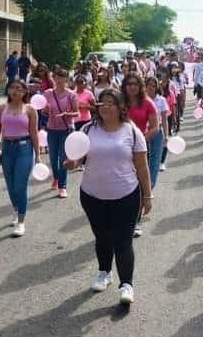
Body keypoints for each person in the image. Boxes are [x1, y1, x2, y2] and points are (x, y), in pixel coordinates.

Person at [65, 89, 152, 304]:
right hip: (92, 195)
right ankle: (104, 272)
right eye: (102, 103)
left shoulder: (132, 131)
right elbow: (78, 158)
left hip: (125, 195)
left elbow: (142, 165)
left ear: (121, 107)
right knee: (102, 237)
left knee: (123, 241)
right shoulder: (87, 129)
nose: (105, 107)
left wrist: (148, 196)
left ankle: (126, 285)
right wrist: (71, 163)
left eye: (111, 103)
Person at [0, 79, 40, 237]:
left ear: (24, 92)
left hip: (24, 148)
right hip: (7, 148)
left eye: (19, 88)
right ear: (8, 91)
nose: (15, 91)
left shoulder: (30, 109)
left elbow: (34, 132)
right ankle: (16, 211)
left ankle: (21, 222)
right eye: (12, 88)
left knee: (19, 186)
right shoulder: (2, 108)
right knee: (10, 185)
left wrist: (37, 155)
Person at [122, 73, 159, 238]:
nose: (132, 87)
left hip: (140, 147)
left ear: (140, 86)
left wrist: (139, 141)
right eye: (129, 84)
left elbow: (154, 127)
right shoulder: (119, 101)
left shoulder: (148, 103)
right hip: (119, 148)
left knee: (137, 185)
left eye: (135, 84)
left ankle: (135, 222)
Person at [43, 69, 78, 199]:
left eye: (61, 77)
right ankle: (56, 178)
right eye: (55, 77)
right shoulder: (48, 93)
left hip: (66, 129)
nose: (58, 79)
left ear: (66, 79)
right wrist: (45, 111)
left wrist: (67, 114)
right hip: (51, 129)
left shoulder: (71, 95)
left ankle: (62, 186)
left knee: (63, 158)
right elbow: (43, 112)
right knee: (52, 158)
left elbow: (77, 112)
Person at [145, 77, 170, 178]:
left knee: (155, 159)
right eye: (149, 85)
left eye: (153, 86)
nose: (151, 88)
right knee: (144, 158)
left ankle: (151, 184)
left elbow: (164, 119)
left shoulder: (161, 100)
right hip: (144, 131)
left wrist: (166, 135)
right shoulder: (141, 100)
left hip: (156, 132)